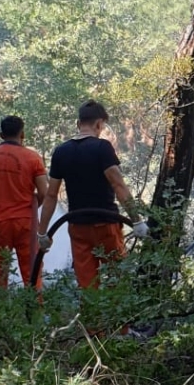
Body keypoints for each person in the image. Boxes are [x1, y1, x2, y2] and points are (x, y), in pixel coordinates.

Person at [41, 100, 147, 288]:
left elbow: (50, 196)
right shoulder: (102, 148)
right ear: (99, 124)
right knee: (118, 281)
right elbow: (118, 185)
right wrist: (136, 220)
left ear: (78, 123)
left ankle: (92, 317)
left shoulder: (60, 152)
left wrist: (43, 233)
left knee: (88, 286)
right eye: (102, 126)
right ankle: (119, 317)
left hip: (78, 227)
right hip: (105, 225)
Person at [0, 115, 49, 288]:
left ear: (1, 135)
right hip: (26, 223)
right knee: (32, 274)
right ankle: (34, 312)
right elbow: (44, 192)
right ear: (23, 134)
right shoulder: (32, 158)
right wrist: (33, 211)